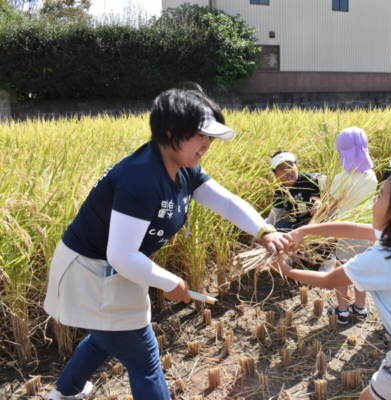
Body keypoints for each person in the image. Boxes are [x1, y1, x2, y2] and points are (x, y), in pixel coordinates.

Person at [44, 83, 291, 400]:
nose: (207, 144)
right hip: (92, 271)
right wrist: (170, 281)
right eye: (200, 135)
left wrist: (263, 231)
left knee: (106, 335)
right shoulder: (142, 176)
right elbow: (121, 254)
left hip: (112, 269)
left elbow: (227, 202)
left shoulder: (182, 168)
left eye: (209, 137)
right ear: (171, 130)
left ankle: (65, 393)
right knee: (143, 357)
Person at [272, 160, 391, 400]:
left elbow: (329, 280)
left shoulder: (384, 258)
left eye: (380, 196)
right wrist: (303, 231)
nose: (374, 200)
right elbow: (353, 229)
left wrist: (287, 270)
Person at [326, 127, 378, 324]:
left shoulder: (342, 179)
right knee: (361, 269)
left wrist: (318, 212)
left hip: (345, 231)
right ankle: (361, 307)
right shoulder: (371, 176)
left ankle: (342, 311)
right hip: (366, 231)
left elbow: (331, 205)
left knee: (342, 269)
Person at [265, 150, 326, 231]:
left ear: (296, 165)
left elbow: (340, 190)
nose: (288, 171)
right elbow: (272, 219)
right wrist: (258, 230)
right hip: (302, 229)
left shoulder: (314, 179)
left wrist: (324, 205)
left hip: (325, 224)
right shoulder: (281, 192)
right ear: (275, 174)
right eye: (282, 169)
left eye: (290, 166)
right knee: (274, 228)